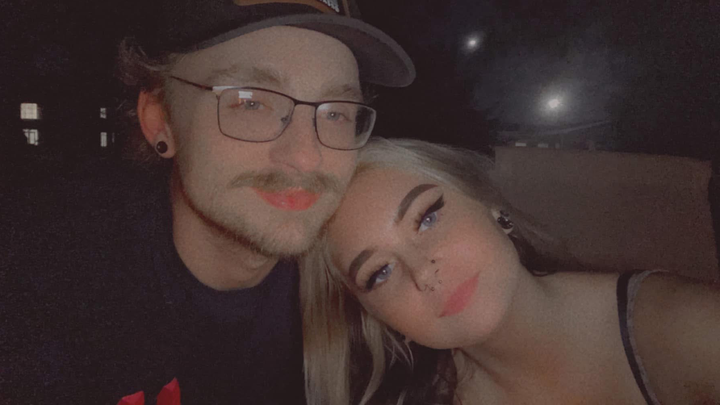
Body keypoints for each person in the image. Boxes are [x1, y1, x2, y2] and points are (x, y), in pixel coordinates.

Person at [0, 1, 414, 404]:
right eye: (251, 102)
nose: (307, 157)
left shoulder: (367, 287)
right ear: (160, 119)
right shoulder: (40, 279)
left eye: (337, 113)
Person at [301, 138, 720, 405]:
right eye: (379, 273)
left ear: (490, 206)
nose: (422, 272)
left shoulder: (688, 329)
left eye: (427, 218)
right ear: (376, 317)